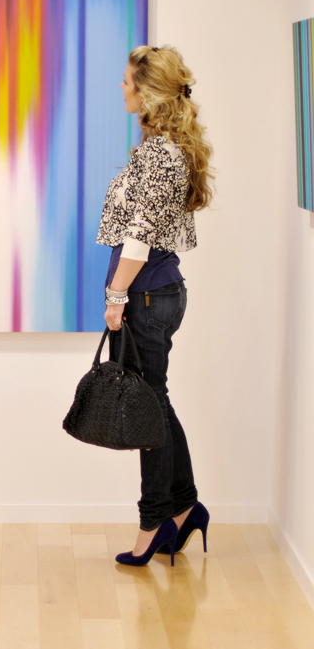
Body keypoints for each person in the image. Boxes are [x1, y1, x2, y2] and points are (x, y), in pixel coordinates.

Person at [97, 45, 213, 566]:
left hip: (146, 293)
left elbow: (139, 237)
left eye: (127, 81)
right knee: (156, 402)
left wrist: (116, 297)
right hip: (156, 292)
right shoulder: (163, 148)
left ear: (147, 93)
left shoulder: (159, 153)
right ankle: (184, 511)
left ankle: (154, 522)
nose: (121, 88)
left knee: (148, 411)